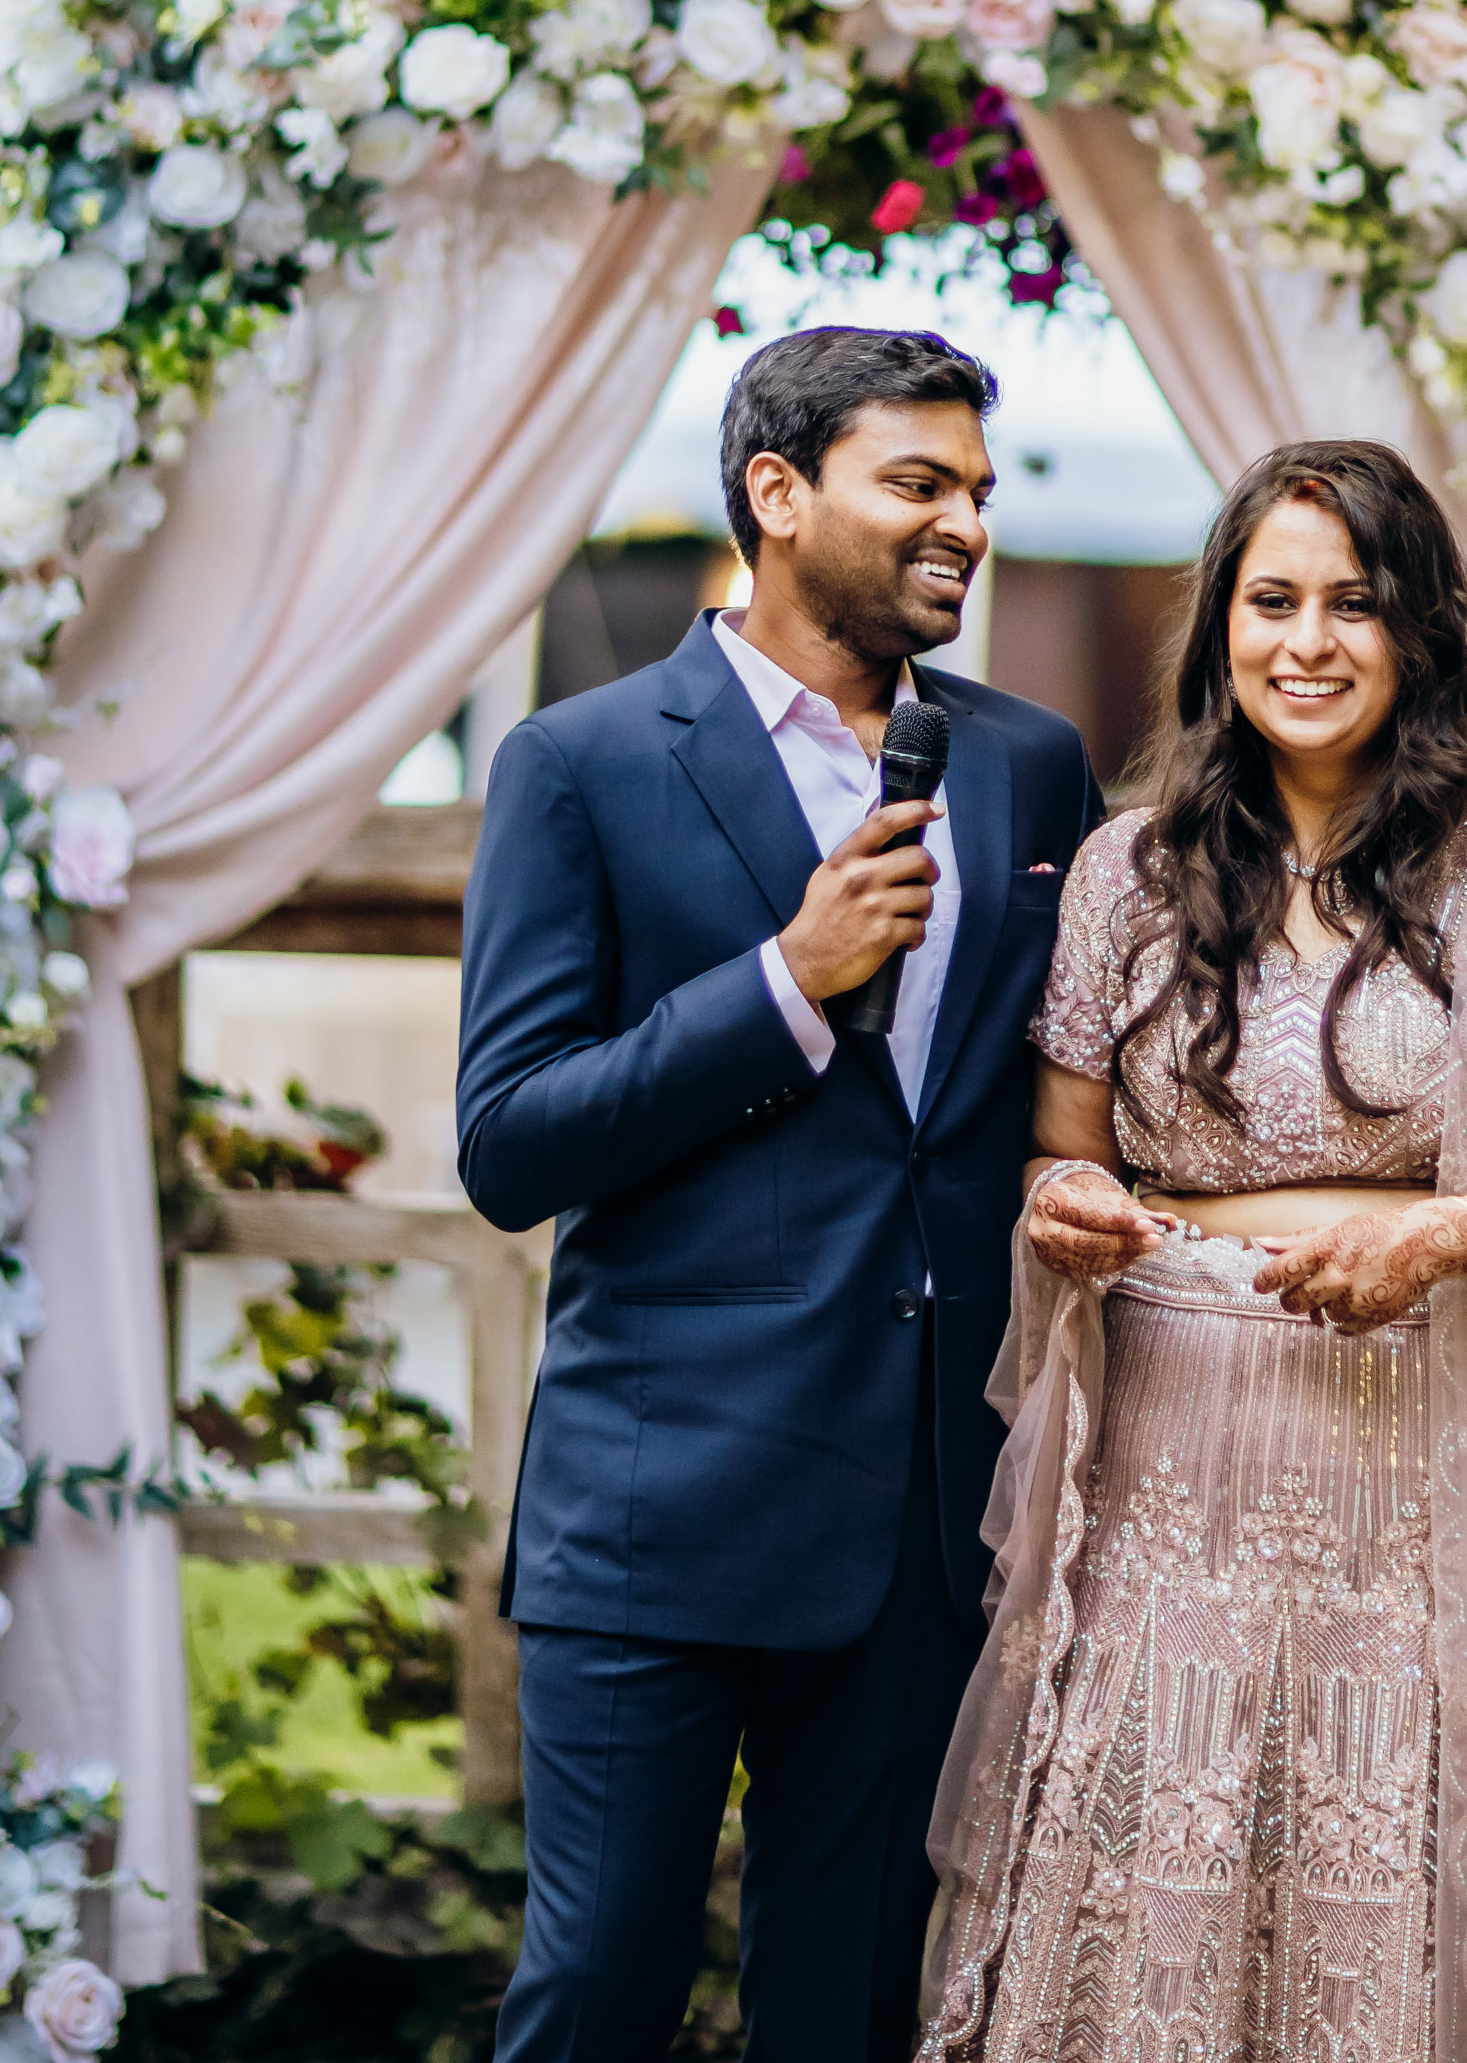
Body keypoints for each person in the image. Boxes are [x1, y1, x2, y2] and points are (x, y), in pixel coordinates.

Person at [920, 440, 1467, 2063]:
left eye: (1352, 604)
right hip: (1173, 1520)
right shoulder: (1126, 878)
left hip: (1451, 1507)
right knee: (1167, 1915)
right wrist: (1058, 1210)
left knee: (1421, 1923)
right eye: (1269, 600)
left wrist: (1451, 1235)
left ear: (1419, 629)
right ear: (1218, 628)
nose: (1307, 641)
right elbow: (1066, 1155)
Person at [457, 326, 1106, 2062]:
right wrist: (781, 985)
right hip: (660, 1500)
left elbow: (1070, 1075)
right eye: (916, 484)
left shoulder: (1029, 764)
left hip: (922, 1501)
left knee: (853, 2006)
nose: (963, 523)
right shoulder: (578, 763)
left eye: (976, 489)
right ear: (776, 493)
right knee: (597, 1992)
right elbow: (510, 1141)